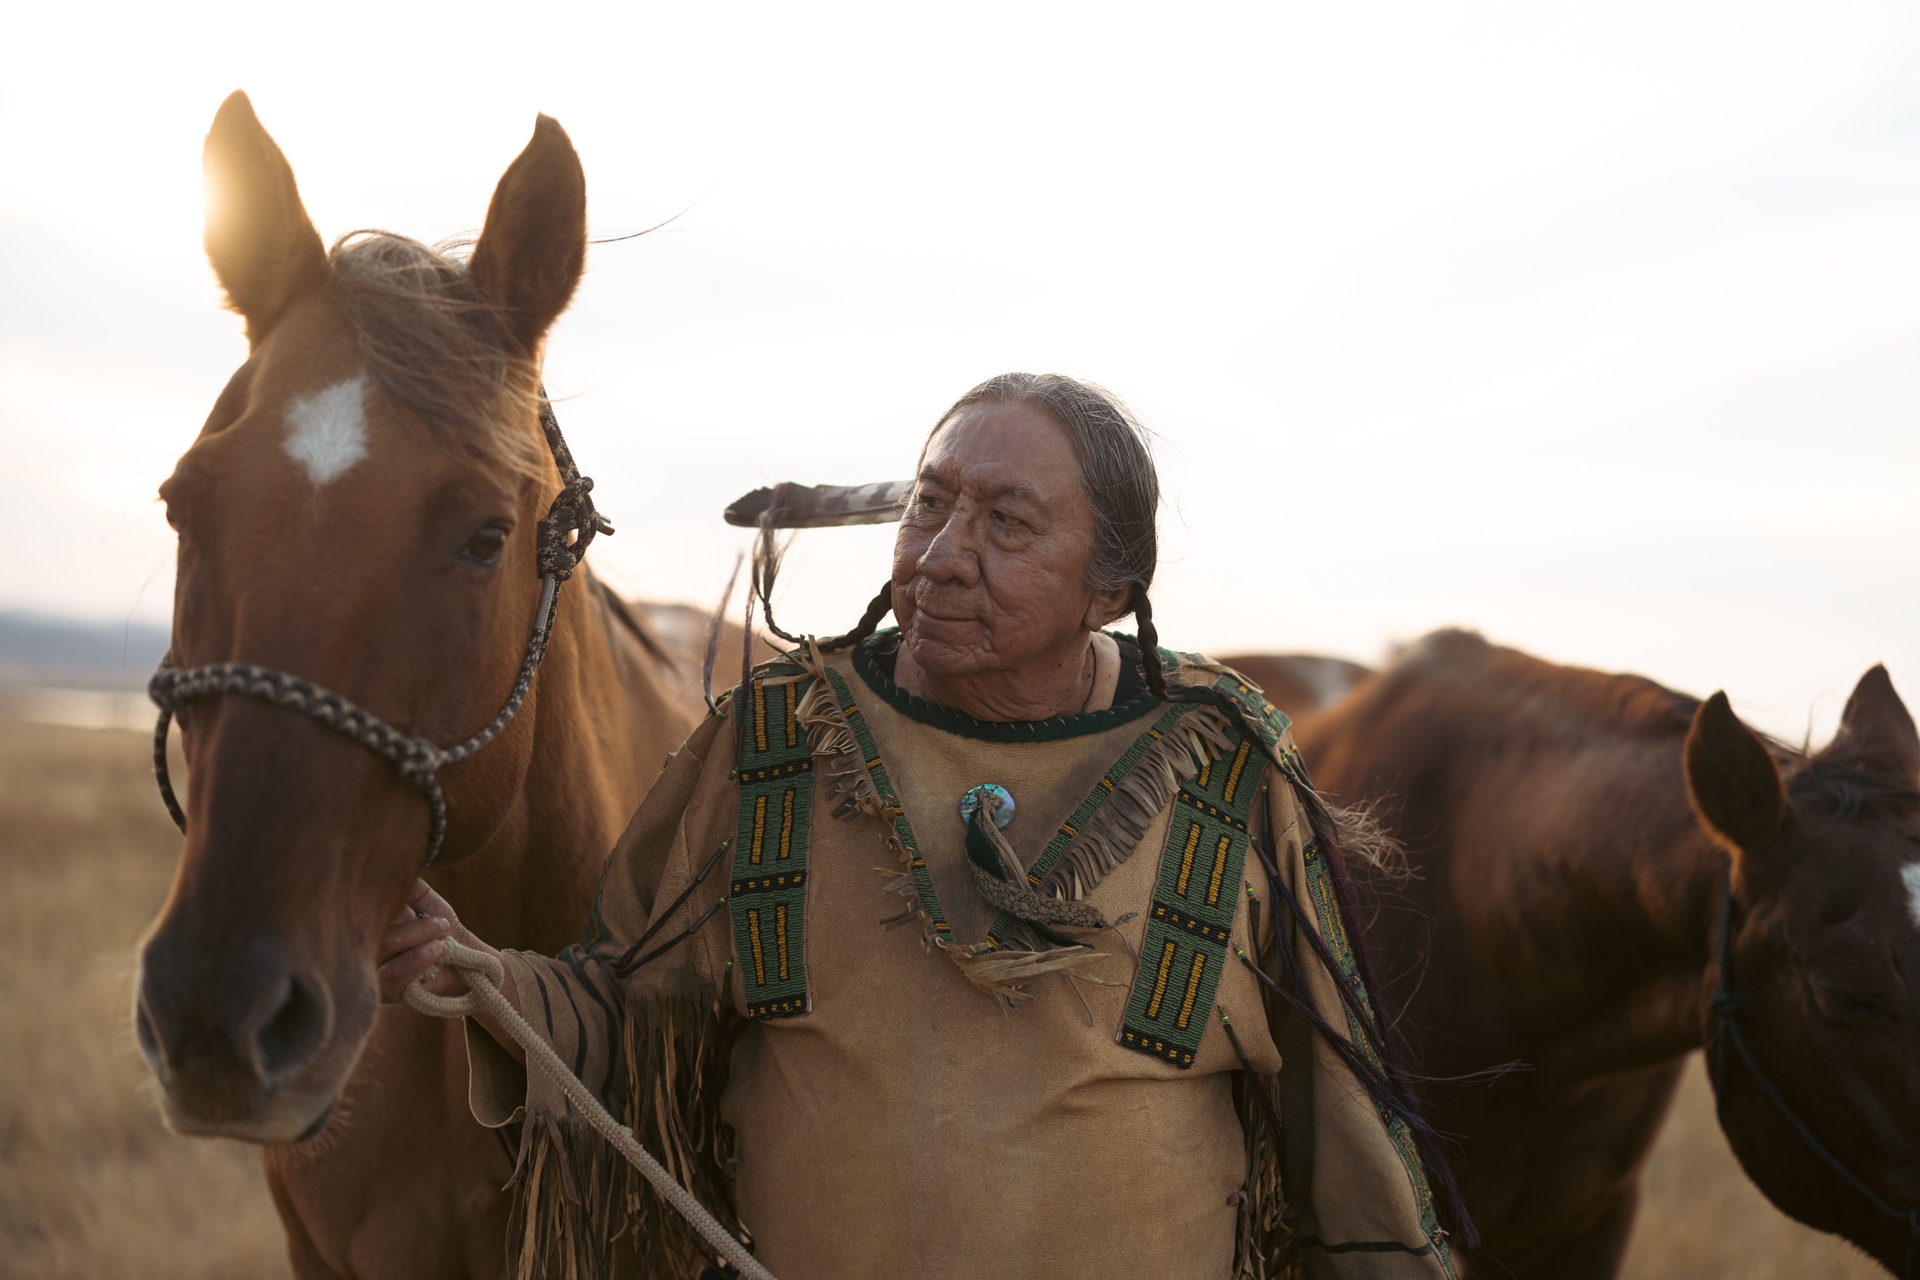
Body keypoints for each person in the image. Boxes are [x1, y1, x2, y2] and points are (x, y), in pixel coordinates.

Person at [380, 373, 1464, 1280]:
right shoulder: (771, 747)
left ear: (1110, 585)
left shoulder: (1224, 774)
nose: (943, 553)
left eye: (1007, 523)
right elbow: (629, 1013)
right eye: (930, 504)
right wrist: (482, 974)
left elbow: (1338, 1124)